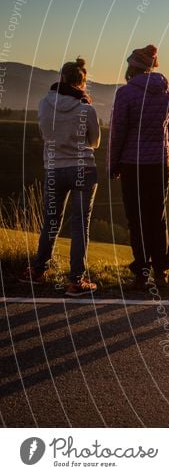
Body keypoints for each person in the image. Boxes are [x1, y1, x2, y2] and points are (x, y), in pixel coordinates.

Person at [22, 57, 101, 297]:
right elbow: (95, 142)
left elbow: (45, 133)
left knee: (51, 221)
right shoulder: (86, 108)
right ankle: (76, 280)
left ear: (62, 78)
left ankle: (38, 270)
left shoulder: (44, 104)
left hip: (54, 168)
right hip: (82, 169)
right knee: (79, 225)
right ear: (82, 82)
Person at [108, 44, 169, 290]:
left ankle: (141, 271)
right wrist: (166, 153)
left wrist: (113, 163)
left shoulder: (125, 93)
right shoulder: (167, 93)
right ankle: (161, 270)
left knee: (136, 218)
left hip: (132, 163)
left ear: (131, 67)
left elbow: (118, 132)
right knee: (157, 216)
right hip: (160, 162)